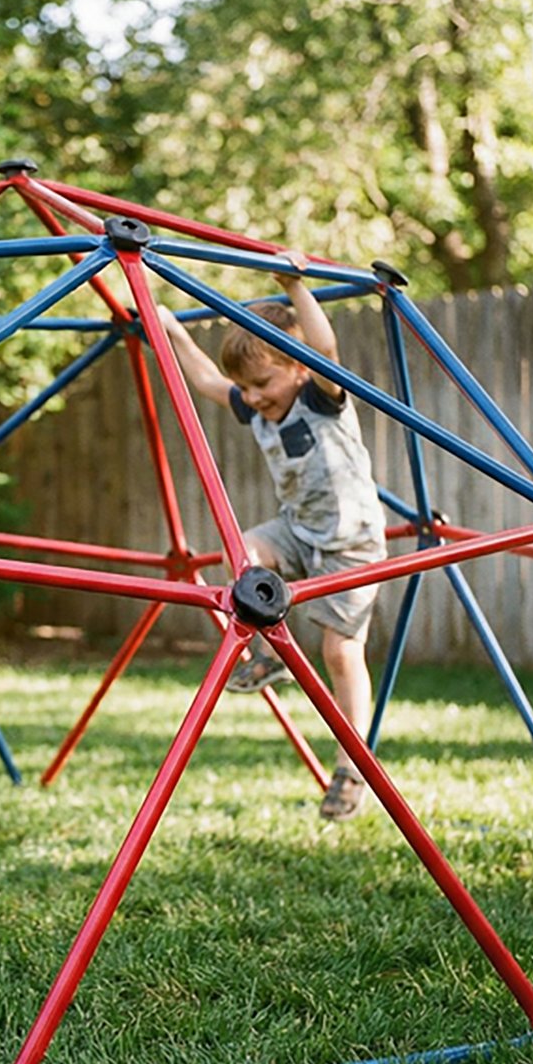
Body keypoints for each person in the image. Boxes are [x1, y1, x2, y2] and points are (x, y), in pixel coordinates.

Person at [155, 256, 386, 820]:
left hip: (350, 542)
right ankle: (266, 652)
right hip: (297, 530)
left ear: (297, 368)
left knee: (340, 652)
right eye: (246, 387)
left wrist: (293, 287)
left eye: (262, 383)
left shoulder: (319, 395)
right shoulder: (256, 407)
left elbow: (324, 348)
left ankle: (352, 769)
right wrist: (171, 329)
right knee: (244, 553)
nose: (253, 396)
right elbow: (207, 381)